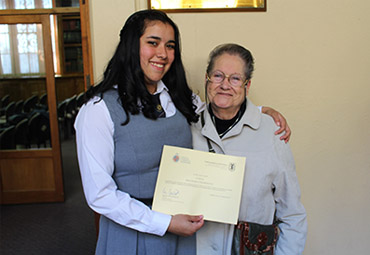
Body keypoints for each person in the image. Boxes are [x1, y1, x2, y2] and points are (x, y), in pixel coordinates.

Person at [74, 10, 291, 255]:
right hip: (132, 233)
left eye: (170, 46)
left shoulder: (179, 98)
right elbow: (99, 195)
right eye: (152, 43)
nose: (162, 54)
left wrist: (260, 112)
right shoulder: (97, 110)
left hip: (183, 235)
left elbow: (219, 111)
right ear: (130, 46)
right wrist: (164, 222)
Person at [191, 44, 307, 255]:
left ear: (247, 85)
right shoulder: (188, 128)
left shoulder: (271, 132)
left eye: (235, 79)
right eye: (218, 75)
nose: (225, 85)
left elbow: (292, 214)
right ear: (207, 79)